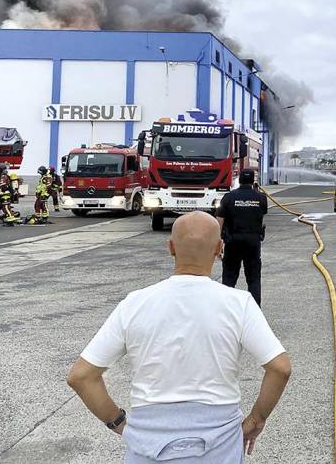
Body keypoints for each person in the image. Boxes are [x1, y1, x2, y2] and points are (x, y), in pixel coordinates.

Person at [67, 211, 291, 463]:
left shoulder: (135, 304)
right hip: (220, 444)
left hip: (148, 443)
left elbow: (81, 376)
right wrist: (255, 419)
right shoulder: (239, 303)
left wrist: (120, 424)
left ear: (171, 247)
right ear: (219, 249)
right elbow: (279, 368)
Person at [216, 169, 267, 306]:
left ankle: (225, 310)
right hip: (253, 242)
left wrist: (218, 243)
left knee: (229, 278)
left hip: (233, 241)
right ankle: (255, 311)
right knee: (253, 279)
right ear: (253, 181)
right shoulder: (261, 197)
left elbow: (219, 221)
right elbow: (262, 213)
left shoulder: (228, 197)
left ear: (239, 180)